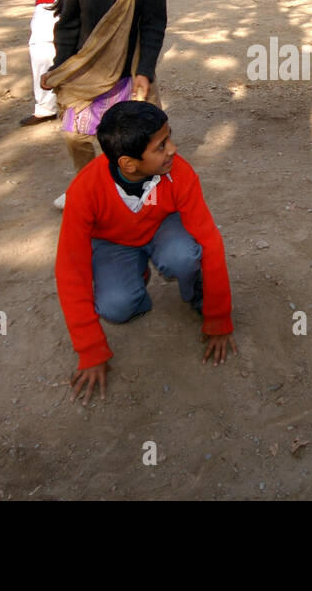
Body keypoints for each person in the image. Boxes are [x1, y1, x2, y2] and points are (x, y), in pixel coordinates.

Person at [54, 101, 237, 403]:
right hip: (115, 243)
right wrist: (90, 351)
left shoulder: (179, 173)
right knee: (116, 307)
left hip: (162, 229)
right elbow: (70, 269)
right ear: (128, 163)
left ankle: (196, 293)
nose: (174, 149)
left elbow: (210, 242)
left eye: (169, 137)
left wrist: (219, 319)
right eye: (161, 146)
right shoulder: (84, 191)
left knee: (184, 255)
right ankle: (134, 277)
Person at [42, 0, 167, 205]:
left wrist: (145, 72)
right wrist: (62, 67)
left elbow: (152, 26)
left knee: (140, 139)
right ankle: (90, 187)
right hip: (87, 72)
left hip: (129, 72)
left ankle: (139, 192)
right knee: (75, 135)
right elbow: (68, 23)